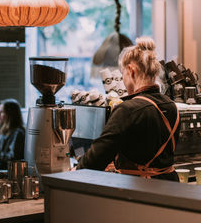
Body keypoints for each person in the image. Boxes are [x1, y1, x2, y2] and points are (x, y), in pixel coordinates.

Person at [76, 37, 181, 181]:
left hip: (140, 188)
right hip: (171, 185)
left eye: (123, 73)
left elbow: (95, 160)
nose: (123, 80)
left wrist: (75, 171)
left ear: (131, 71)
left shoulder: (127, 110)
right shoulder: (171, 105)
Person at [0, 99, 25, 170]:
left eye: (2, 112)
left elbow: (13, 158)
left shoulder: (17, 133)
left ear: (11, 114)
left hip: (6, 173)